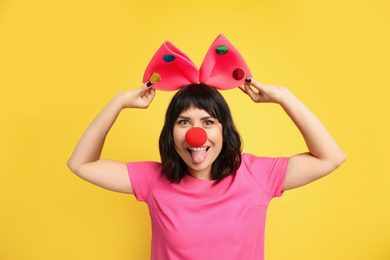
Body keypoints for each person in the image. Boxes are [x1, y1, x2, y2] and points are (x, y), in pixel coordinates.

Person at [67, 77, 346, 260]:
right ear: (170, 132)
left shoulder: (255, 175)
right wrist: (118, 102)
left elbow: (330, 157)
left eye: (208, 122)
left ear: (225, 131)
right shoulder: (153, 179)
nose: (195, 135)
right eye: (184, 122)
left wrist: (285, 97)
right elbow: (81, 164)